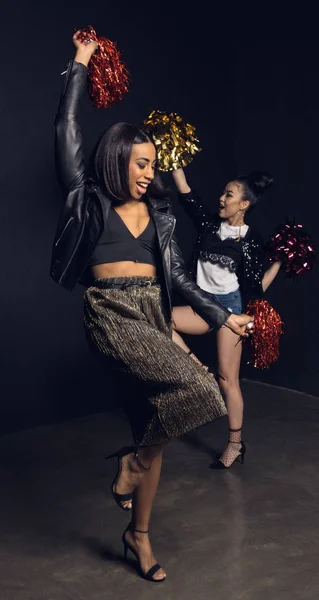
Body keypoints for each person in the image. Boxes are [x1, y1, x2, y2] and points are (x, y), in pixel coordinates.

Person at [51, 32, 253, 582]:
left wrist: (222, 316)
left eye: (153, 164)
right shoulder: (86, 198)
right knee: (198, 391)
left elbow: (182, 282)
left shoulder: (161, 216)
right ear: (118, 158)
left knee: (159, 419)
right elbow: (65, 130)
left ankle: (137, 536)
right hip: (112, 314)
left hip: (153, 315)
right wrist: (80, 62)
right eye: (141, 163)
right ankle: (131, 464)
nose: (148, 173)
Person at [170, 167, 281, 469]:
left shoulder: (251, 242)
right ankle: (197, 370)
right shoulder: (208, 225)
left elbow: (256, 286)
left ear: (244, 204)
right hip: (202, 305)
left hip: (231, 310)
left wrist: (280, 264)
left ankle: (235, 443)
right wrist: (173, 156)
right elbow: (186, 193)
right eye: (222, 193)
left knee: (228, 380)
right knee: (161, 319)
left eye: (228, 195)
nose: (221, 198)